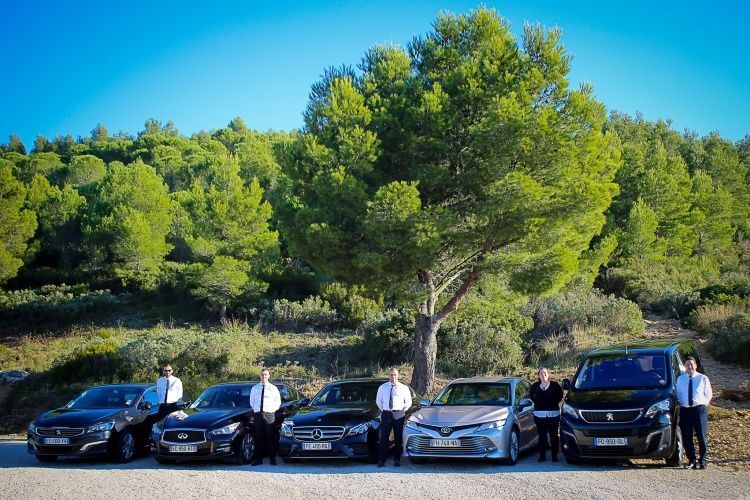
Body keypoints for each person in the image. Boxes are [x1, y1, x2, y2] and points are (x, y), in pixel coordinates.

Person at [676, 356, 713, 469]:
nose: (690, 367)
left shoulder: (702, 378)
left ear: (696, 365)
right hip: (685, 410)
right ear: (684, 366)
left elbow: (708, 394)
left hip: (699, 409)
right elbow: (679, 394)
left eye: (692, 364)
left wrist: (703, 405)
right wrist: (684, 404)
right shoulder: (680, 379)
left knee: (701, 435)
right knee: (687, 436)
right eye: (687, 365)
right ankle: (691, 460)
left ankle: (703, 460)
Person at [375, 367, 412, 468]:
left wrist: (401, 410)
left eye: (395, 375)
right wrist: (385, 410)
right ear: (388, 376)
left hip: (399, 414)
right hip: (386, 413)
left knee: (398, 437)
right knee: (384, 437)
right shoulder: (383, 387)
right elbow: (378, 401)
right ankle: (382, 460)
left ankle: (397, 459)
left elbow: (408, 402)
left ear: (398, 375)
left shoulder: (404, 388)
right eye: (391, 375)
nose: (393, 377)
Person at [529, 367, 564, 462]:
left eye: (545, 373)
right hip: (539, 415)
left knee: (554, 435)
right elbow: (532, 397)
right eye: (541, 373)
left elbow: (560, 396)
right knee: (542, 436)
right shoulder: (535, 386)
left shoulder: (555, 386)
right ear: (538, 375)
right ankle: (542, 456)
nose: (543, 375)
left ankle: (554, 456)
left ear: (548, 374)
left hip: (553, 414)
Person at [249, 368, 281, 466]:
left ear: (269, 376)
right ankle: (259, 459)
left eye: (265, 375)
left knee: (270, 437)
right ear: (260, 376)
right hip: (258, 415)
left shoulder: (273, 388)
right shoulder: (255, 388)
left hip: (269, 415)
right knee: (258, 437)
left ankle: (272, 459)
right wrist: (257, 410)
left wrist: (272, 410)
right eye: (262, 375)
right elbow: (252, 402)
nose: (264, 376)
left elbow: (278, 402)